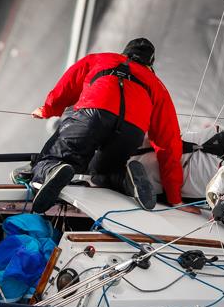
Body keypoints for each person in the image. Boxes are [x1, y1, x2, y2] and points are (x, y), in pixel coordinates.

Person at [29, 38, 194, 214]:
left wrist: (47, 109)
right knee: (103, 173)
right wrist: (175, 198)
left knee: (50, 158)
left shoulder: (99, 59)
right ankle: (123, 179)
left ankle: (54, 168)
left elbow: (67, 86)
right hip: (131, 131)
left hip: (92, 115)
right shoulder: (157, 85)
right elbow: (168, 143)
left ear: (124, 53)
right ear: (150, 64)